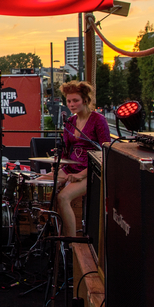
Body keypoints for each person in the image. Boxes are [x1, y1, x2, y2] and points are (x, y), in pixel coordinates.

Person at [48, 80, 109, 237]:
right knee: (41, 182)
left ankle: (72, 241)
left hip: (92, 171)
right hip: (72, 167)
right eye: (69, 101)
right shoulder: (70, 122)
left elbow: (105, 152)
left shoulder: (98, 120)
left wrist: (81, 175)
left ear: (85, 100)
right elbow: (66, 151)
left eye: (75, 100)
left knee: (63, 197)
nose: (71, 104)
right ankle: (50, 233)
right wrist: (58, 167)